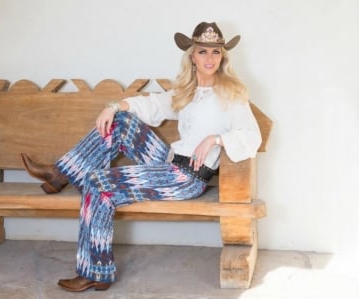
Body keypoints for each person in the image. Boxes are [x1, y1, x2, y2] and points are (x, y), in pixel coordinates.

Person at [21, 21, 262, 292]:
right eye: (203, 51)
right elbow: (152, 105)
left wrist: (216, 139)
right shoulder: (187, 92)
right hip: (169, 165)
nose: (209, 58)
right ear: (192, 56)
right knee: (121, 121)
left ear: (223, 57)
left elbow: (252, 137)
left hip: (187, 177)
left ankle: (95, 271)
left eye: (215, 52)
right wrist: (112, 107)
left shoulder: (232, 95)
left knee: (98, 184)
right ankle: (60, 173)